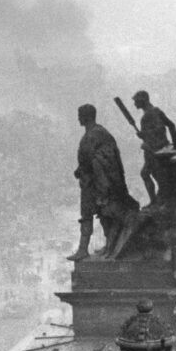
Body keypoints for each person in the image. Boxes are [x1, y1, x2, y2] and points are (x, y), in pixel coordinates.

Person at [68, 104, 138, 261]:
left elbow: (105, 158)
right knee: (92, 214)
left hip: (98, 183)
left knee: (101, 214)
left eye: (80, 115)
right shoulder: (93, 133)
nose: (78, 118)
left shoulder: (97, 134)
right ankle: (86, 249)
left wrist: (87, 169)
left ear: (87, 116)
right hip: (90, 181)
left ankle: (95, 248)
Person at [131, 90, 176, 207]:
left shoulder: (148, 115)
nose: (135, 103)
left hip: (154, 151)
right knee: (153, 174)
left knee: (149, 174)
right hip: (159, 148)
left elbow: (161, 128)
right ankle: (157, 200)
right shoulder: (156, 110)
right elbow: (171, 125)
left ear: (143, 100)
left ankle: (155, 201)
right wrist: (174, 144)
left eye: (136, 101)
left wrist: (145, 135)